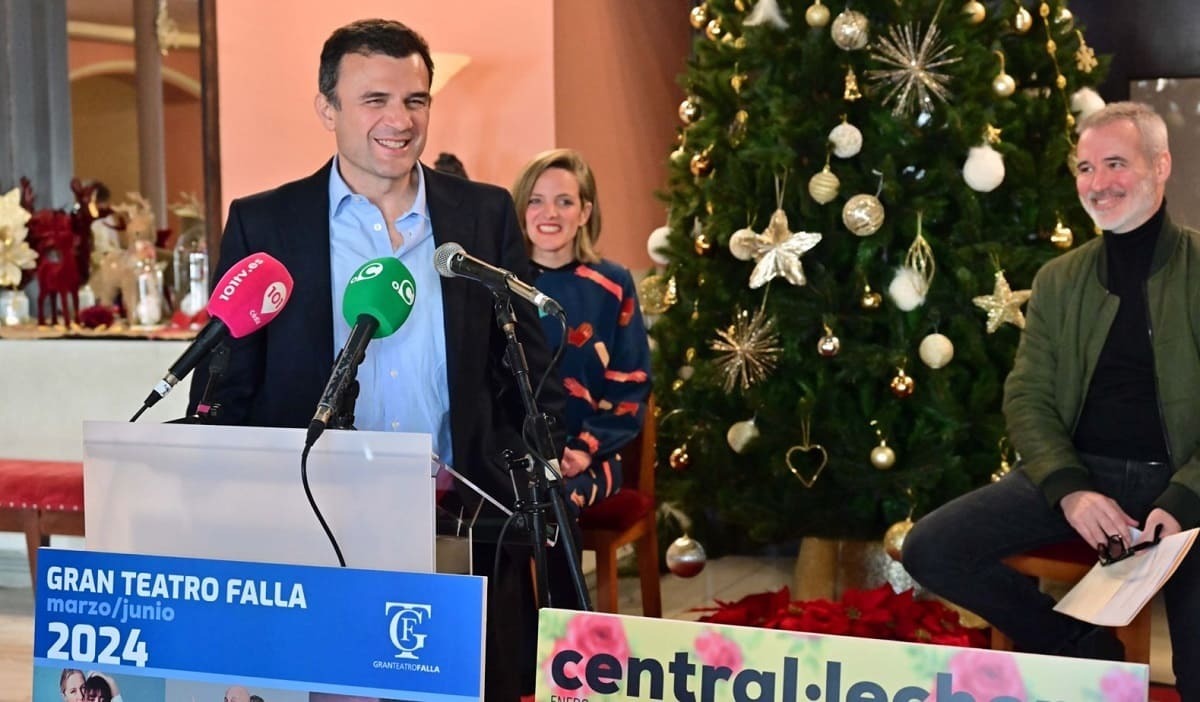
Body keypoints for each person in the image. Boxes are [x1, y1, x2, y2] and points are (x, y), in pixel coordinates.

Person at [186, 18, 565, 702]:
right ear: (327, 108)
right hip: (316, 526)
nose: (399, 120)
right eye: (375, 100)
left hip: (462, 523)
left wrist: (518, 468)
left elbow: (524, 367)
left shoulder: (482, 215)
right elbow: (227, 384)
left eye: (415, 101)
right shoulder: (264, 223)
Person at [902, 102, 1200, 696]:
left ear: (1160, 165)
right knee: (931, 549)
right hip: (1080, 473)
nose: (1097, 184)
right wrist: (1070, 489)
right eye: (1085, 168)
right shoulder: (1060, 279)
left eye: (1115, 163)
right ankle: (1079, 649)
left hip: (1186, 484)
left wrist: (1186, 496)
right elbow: (1029, 396)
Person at [511, 148, 651, 515]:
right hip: (514, 456)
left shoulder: (613, 285)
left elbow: (631, 383)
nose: (550, 214)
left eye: (564, 202)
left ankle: (558, 576)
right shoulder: (501, 284)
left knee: (551, 505)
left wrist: (585, 447)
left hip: (591, 457)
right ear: (520, 209)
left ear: (585, 212)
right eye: (536, 201)